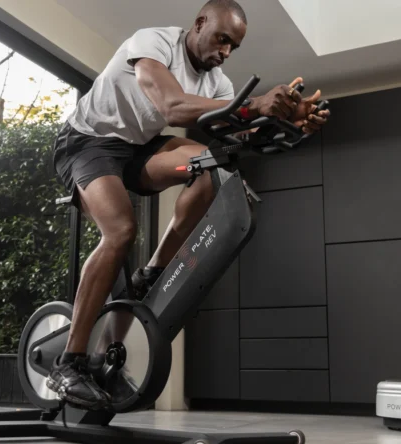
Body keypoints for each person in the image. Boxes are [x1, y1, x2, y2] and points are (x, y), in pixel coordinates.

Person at [46, 0, 331, 409]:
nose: (226, 52)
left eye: (234, 46)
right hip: (87, 142)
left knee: (210, 161)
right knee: (122, 231)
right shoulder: (154, 42)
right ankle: (68, 363)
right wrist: (256, 104)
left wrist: (289, 118)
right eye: (222, 39)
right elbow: (172, 106)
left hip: (136, 149)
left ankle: (152, 271)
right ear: (199, 23)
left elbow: (240, 134)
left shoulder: (219, 84)